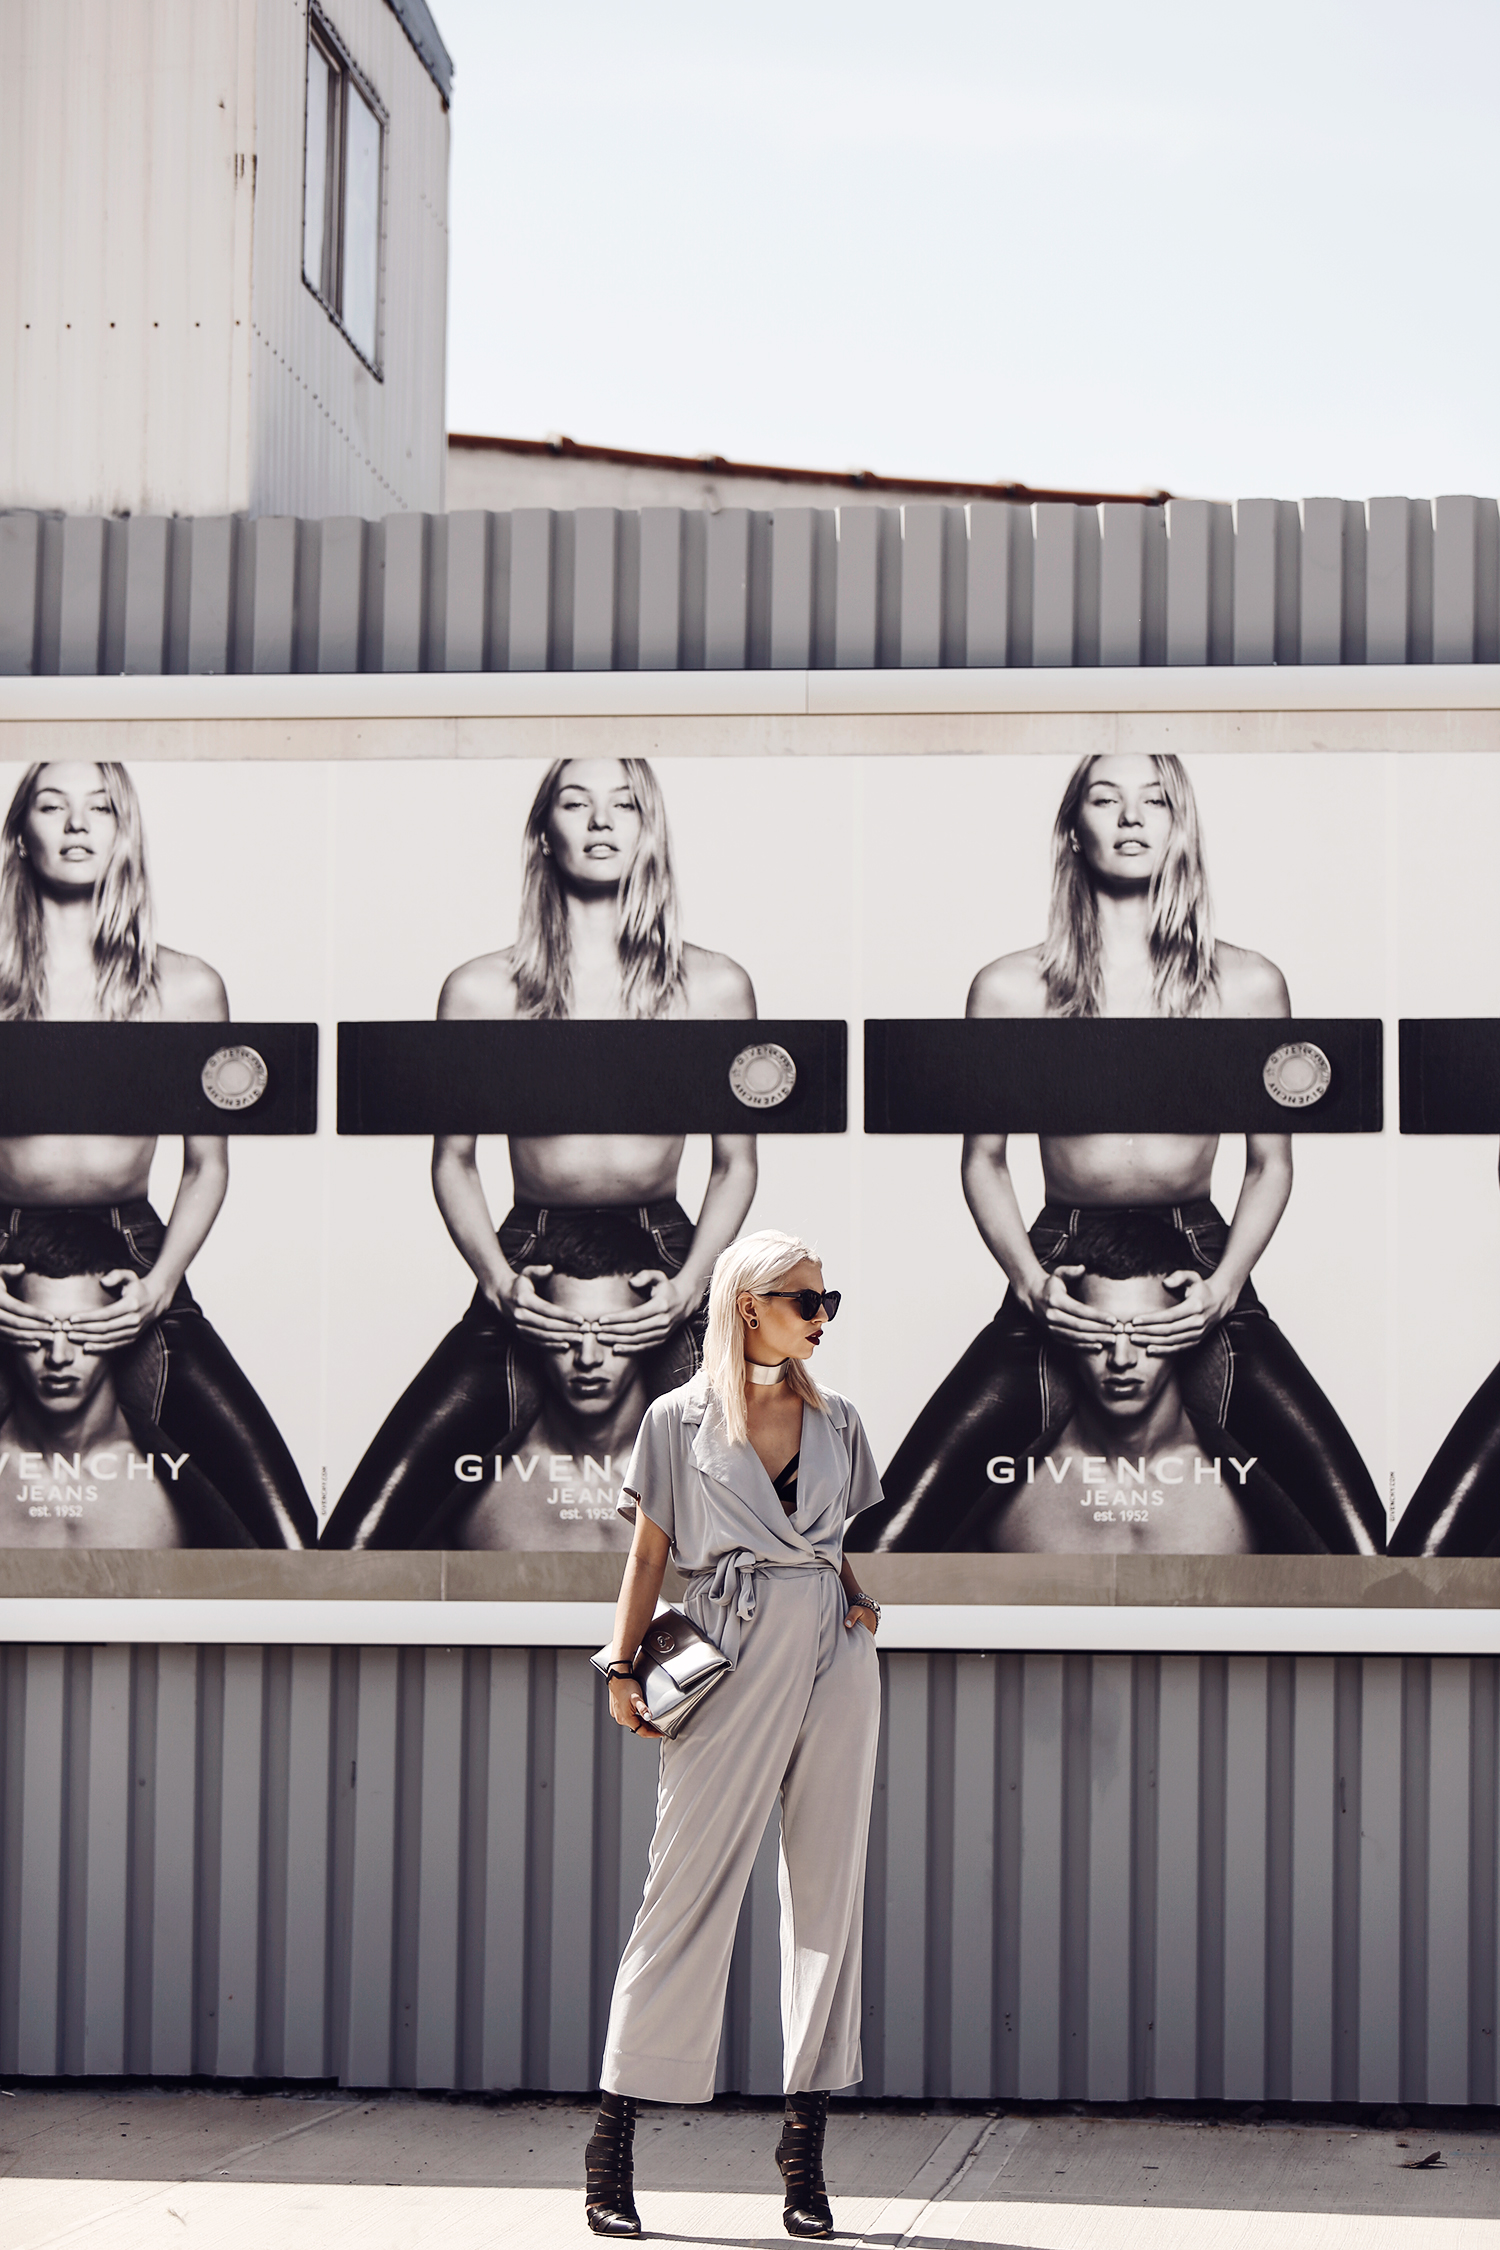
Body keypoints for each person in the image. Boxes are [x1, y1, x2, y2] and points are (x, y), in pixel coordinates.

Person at [849, 749, 1381, 1558]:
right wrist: (1031, 1286)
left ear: (1180, 827)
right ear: (1073, 830)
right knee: (885, 1543)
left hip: (1201, 1251)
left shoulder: (1247, 985)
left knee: (1361, 1545)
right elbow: (983, 1160)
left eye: (1155, 800)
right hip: (1060, 1251)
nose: (1131, 818)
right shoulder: (1009, 990)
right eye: (1106, 799)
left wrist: (1225, 1287)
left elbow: (1271, 1163)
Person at [324, 756, 758, 1549]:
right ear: (543, 833)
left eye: (624, 803)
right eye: (576, 802)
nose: (601, 821)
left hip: (665, 1256)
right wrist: (496, 1281)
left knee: (776, 1533)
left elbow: (736, 1163)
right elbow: (453, 1160)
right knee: (359, 1539)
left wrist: (693, 1288)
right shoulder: (481, 991)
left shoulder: (713, 985)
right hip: (530, 1248)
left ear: (648, 827)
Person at [583, 1230, 883, 2240]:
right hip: (728, 1647)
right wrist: (621, 1666)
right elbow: (647, 1557)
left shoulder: (839, 1420)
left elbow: (829, 1537)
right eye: (805, 1299)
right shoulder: (677, 1420)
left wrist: (853, 1590)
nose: (822, 1315)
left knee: (828, 1899)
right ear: (747, 1304)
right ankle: (613, 2140)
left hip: (836, 1663)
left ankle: (803, 2157)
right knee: (687, 1887)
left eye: (829, 1300)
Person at [0, 761, 314, 1548]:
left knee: (285, 1537)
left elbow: (207, 1165)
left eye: (99, 806)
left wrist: (159, 1285)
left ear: (124, 831)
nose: (77, 824)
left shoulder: (184, 987)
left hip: (134, 1252)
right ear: (19, 832)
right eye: (52, 804)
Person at [945, 1211, 1324, 1554]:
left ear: (1189, 1326)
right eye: (1099, 1331)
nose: (1121, 1359)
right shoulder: (1004, 1488)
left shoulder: (1251, 1489)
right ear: (1064, 1328)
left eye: (1146, 1332)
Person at [0, 1211, 249, 1547]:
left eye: (82, 1330)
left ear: (123, 1326)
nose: (58, 1356)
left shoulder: (172, 1484)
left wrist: (160, 1287)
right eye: (37, 1330)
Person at [425, 1211, 657, 1550]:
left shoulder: (698, 1481)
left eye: (612, 1331)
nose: (588, 1357)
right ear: (532, 1329)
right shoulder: (477, 1488)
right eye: (564, 1329)